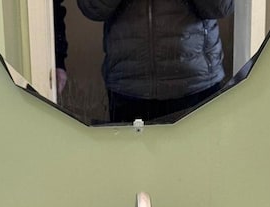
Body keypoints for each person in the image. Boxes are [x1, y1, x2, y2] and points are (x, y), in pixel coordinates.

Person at [76, 0, 234, 123]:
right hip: (129, 85)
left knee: (198, 162)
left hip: (196, 82)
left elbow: (221, 7)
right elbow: (92, 7)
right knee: (133, 164)